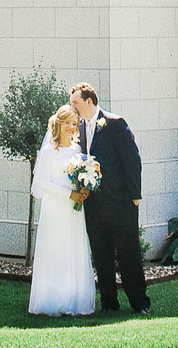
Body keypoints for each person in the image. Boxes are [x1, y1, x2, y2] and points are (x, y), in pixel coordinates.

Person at [71, 81, 150, 315]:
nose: (72, 106)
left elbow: (132, 161)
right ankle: (108, 303)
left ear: (89, 101)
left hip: (121, 201)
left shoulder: (115, 123)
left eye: (75, 102)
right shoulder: (80, 128)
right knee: (101, 253)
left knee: (129, 253)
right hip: (94, 204)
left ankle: (139, 302)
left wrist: (134, 196)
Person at [26, 105, 96, 316]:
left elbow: (79, 177)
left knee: (72, 249)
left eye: (74, 124)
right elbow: (41, 184)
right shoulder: (49, 151)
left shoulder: (77, 150)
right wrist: (69, 195)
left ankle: (74, 300)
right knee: (56, 250)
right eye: (67, 123)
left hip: (74, 211)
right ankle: (53, 301)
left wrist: (83, 190)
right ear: (58, 124)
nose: (71, 127)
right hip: (55, 208)